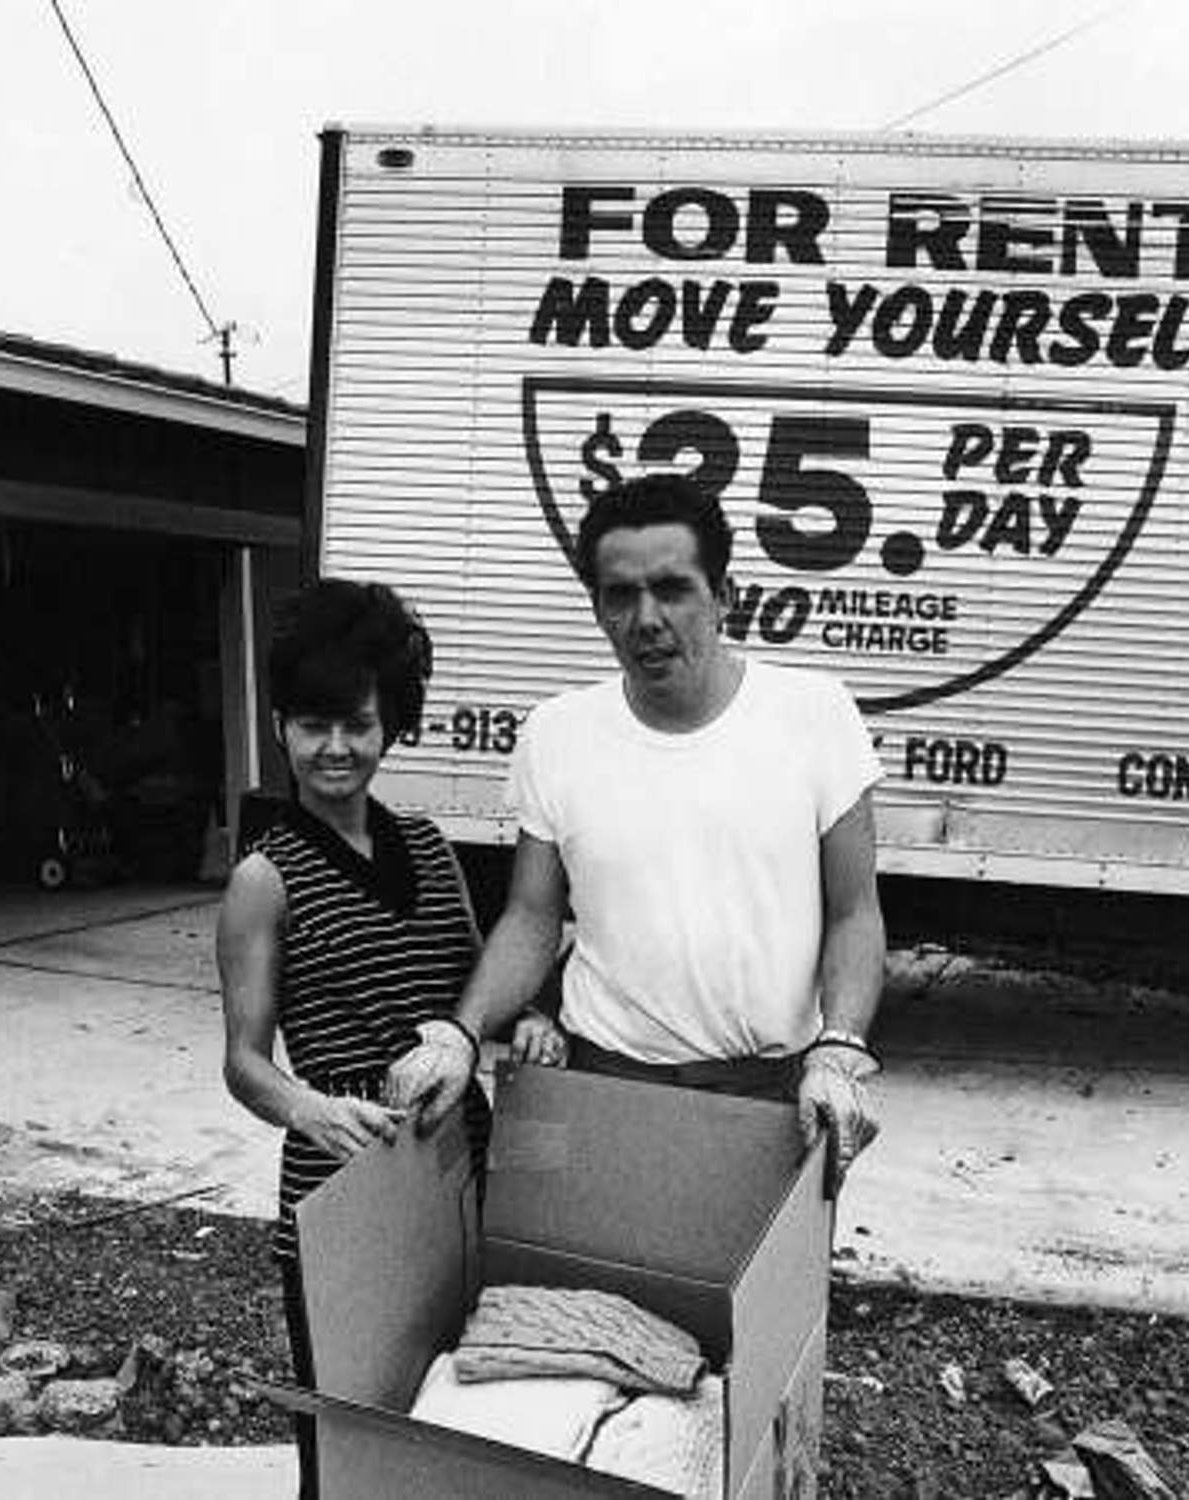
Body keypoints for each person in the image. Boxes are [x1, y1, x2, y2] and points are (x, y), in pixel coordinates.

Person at [386, 471, 886, 1180]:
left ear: (723, 595)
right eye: (621, 595)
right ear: (597, 608)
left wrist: (839, 1048)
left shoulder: (815, 715)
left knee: (754, 1261)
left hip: (769, 1098)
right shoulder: (557, 732)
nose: (647, 618)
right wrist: (459, 1035)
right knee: (569, 1258)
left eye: (672, 588)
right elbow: (532, 916)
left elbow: (855, 912)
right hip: (598, 1085)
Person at [218, 577, 509, 1498]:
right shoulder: (264, 879)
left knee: (449, 1419)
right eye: (314, 725)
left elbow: (479, 998)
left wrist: (527, 1025)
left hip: (455, 1168)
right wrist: (307, 1109)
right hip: (340, 1182)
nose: (335, 747)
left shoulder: (429, 845)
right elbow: (244, 1062)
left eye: (358, 723)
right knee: (345, 1438)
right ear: (280, 727)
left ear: (392, 725)